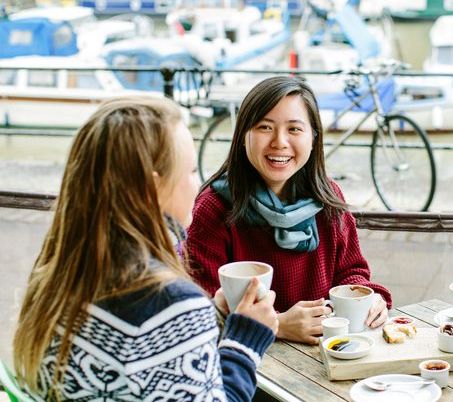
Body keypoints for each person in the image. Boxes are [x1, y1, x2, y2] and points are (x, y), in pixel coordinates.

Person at [13, 97, 278, 400]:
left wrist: (213, 315)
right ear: (152, 188)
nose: (198, 184)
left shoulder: (60, 271)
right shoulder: (167, 302)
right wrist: (245, 341)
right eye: (191, 171)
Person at [186, 76, 392, 345]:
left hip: (325, 355)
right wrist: (277, 325)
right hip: (248, 368)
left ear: (313, 137)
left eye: (294, 129)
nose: (279, 142)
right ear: (242, 137)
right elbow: (200, 309)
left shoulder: (327, 196)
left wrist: (368, 298)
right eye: (264, 127)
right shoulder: (214, 208)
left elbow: (350, 272)